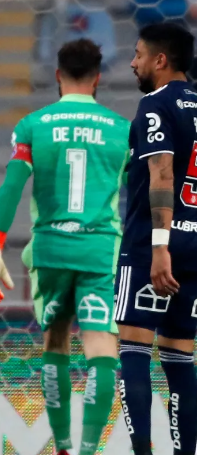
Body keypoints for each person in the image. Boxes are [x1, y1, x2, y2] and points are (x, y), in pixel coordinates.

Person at [0, 39, 130, 455]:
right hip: (99, 251)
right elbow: (143, 194)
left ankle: (62, 447)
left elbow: (12, 187)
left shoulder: (33, 125)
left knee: (55, 341)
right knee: (101, 348)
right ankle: (88, 450)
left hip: (51, 249)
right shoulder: (120, 129)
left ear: (57, 75)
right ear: (98, 78)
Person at [115, 23, 197, 455]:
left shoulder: (154, 104)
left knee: (134, 351)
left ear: (160, 60)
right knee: (180, 359)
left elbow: (161, 172)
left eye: (139, 54)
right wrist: (189, 241)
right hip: (195, 244)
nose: (133, 62)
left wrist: (160, 246)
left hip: (151, 246)